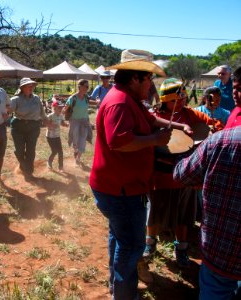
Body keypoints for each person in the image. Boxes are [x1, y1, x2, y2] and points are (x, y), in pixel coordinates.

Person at [89, 49, 193, 300]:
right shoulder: (120, 102)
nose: (152, 85)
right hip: (120, 189)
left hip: (120, 186)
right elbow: (118, 141)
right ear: (135, 78)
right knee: (131, 246)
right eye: (149, 79)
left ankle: (118, 288)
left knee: (119, 237)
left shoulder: (130, 99)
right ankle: (124, 295)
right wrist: (154, 140)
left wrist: (177, 125)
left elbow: (151, 118)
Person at [143, 78, 223, 268]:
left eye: (183, 99)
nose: (180, 103)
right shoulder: (153, 116)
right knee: (154, 211)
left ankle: (181, 249)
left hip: (184, 174)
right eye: (175, 101)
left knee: (183, 215)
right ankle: (150, 243)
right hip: (159, 174)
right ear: (164, 100)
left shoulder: (191, 115)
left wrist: (213, 130)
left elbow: (214, 125)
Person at [173, 127, 240, 300]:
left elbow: (182, 174)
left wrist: (182, 154)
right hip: (223, 251)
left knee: (216, 292)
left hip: (221, 251)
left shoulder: (220, 141)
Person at [10, 77, 46, 180]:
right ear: (22, 88)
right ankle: (23, 165)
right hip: (18, 126)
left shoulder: (36, 98)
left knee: (31, 150)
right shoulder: (15, 99)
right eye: (28, 86)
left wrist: (47, 120)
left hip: (33, 127)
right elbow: (8, 110)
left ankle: (28, 172)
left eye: (32, 85)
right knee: (19, 150)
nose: (31, 87)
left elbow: (42, 113)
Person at [64, 79, 98, 167]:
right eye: (86, 86)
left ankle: (78, 158)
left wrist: (98, 103)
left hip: (85, 121)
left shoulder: (86, 97)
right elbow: (66, 108)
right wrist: (65, 116)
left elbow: (89, 102)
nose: (87, 88)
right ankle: (75, 150)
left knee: (83, 140)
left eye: (88, 87)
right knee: (75, 140)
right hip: (74, 121)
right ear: (80, 87)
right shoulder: (73, 98)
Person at [46, 100, 68, 171]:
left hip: (57, 136)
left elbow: (62, 123)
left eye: (61, 108)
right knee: (54, 151)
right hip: (50, 136)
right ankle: (49, 162)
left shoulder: (61, 116)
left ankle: (60, 167)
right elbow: (46, 124)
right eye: (59, 108)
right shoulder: (50, 116)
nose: (61, 109)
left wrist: (65, 124)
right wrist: (51, 125)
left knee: (60, 152)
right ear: (54, 108)